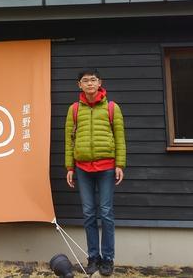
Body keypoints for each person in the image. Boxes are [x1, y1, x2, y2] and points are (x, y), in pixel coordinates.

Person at [64, 69, 126, 276]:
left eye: (93, 80)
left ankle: (108, 259)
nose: (89, 83)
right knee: (89, 214)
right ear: (79, 85)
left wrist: (120, 164)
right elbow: (68, 141)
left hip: (107, 167)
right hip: (82, 169)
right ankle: (93, 258)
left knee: (106, 213)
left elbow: (120, 138)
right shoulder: (73, 110)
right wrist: (69, 167)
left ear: (100, 83)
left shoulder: (111, 108)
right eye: (85, 80)